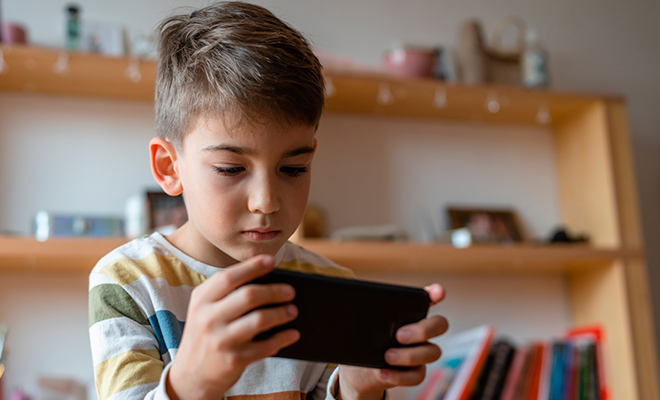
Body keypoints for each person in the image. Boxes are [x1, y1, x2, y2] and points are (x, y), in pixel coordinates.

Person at [88, 3, 449, 400]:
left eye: (293, 169)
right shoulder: (127, 283)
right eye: (230, 168)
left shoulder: (331, 289)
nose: (266, 201)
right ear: (169, 167)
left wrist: (357, 388)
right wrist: (190, 383)